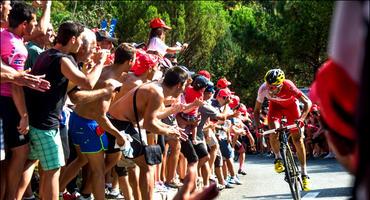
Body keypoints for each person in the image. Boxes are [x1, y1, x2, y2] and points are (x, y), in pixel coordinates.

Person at [23, 21, 107, 200]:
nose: (92, 49)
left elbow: (71, 90)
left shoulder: (46, 54)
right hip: (45, 123)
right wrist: (100, 64)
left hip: (37, 119)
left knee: (34, 164)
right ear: (75, 40)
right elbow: (86, 85)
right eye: (89, 45)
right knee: (54, 169)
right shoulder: (63, 59)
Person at [108, 66, 189, 200]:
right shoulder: (157, 93)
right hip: (119, 124)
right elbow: (149, 124)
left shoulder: (156, 87)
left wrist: (171, 128)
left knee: (134, 167)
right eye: (185, 85)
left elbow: (153, 118)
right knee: (146, 166)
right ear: (179, 85)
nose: (184, 89)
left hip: (121, 123)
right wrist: (168, 131)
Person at [0, 3, 37, 200]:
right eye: (34, 22)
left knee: (6, 156)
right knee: (21, 152)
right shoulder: (17, 47)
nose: (36, 26)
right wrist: (24, 116)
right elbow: (16, 83)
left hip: (4, 102)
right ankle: (11, 197)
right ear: (24, 24)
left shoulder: (2, 35)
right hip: (8, 102)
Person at [253, 69, 312, 191]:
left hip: (291, 108)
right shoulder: (263, 89)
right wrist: (258, 125)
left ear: (281, 84)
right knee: (273, 131)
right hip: (275, 108)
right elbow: (256, 111)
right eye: (269, 86)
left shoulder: (289, 86)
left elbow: (308, 102)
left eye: (274, 87)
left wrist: (302, 118)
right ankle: (278, 157)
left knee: (298, 140)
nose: (270, 89)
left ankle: (304, 174)